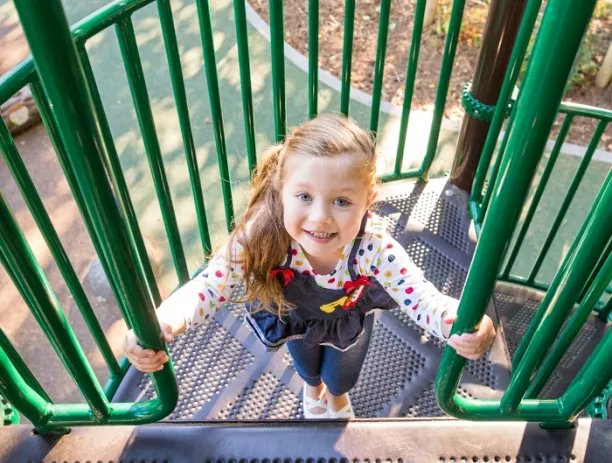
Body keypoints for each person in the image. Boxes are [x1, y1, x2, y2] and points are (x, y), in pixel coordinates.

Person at [123, 114, 496, 419]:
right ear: (281, 190)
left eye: (341, 201)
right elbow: (210, 285)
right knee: (307, 365)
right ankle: (312, 390)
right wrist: (163, 321)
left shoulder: (373, 247)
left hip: (347, 320)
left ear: (368, 200)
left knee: (342, 375)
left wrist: (457, 321)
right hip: (296, 317)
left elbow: (421, 295)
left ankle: (335, 400)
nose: (320, 218)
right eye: (304, 196)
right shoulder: (264, 234)